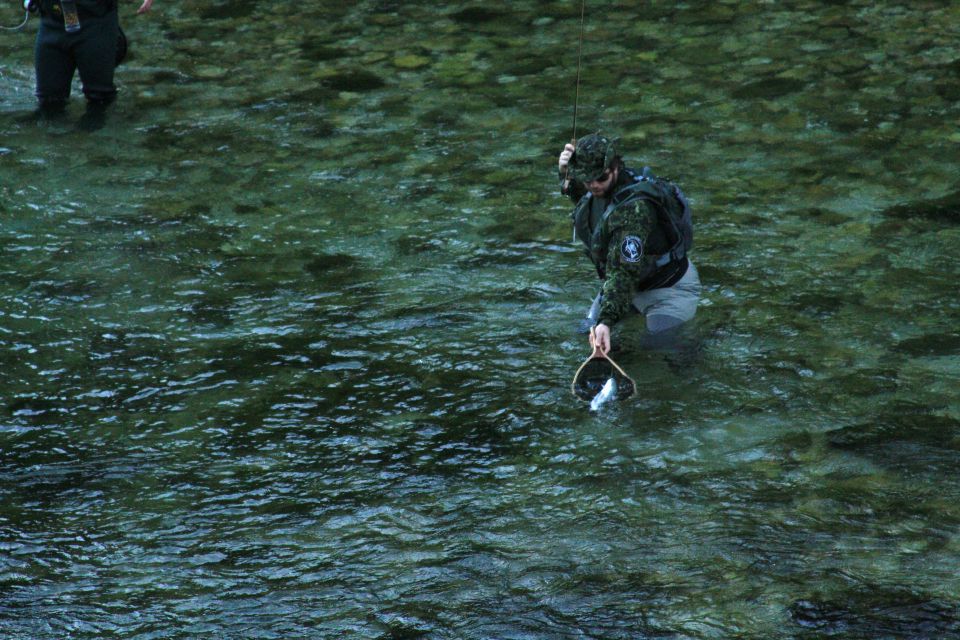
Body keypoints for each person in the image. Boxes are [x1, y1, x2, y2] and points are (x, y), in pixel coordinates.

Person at [558, 132, 701, 355]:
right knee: (585, 334)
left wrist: (606, 321)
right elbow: (587, 202)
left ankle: (701, 344)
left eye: (600, 178)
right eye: (587, 180)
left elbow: (623, 273)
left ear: (615, 168)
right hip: (629, 284)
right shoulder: (599, 188)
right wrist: (565, 173)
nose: (594, 185)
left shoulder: (634, 211)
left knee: (657, 349)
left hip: (668, 289)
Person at [31, 0, 154, 122]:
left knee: (99, 100)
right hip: (52, 21)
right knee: (48, 102)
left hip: (95, 22)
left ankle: (93, 137)